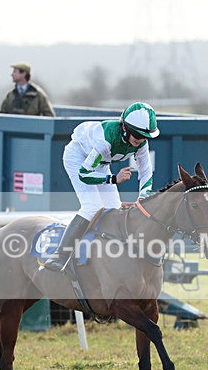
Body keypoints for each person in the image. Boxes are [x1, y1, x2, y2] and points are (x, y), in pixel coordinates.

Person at [43, 102, 159, 272]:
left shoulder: (141, 143)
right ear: (125, 128)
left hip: (101, 163)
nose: (140, 140)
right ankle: (60, 255)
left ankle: (103, 256)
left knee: (114, 209)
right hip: (78, 159)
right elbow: (84, 174)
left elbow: (146, 172)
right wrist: (113, 179)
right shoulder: (106, 139)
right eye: (137, 135)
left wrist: (143, 197)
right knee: (93, 206)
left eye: (144, 136)